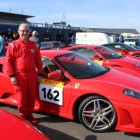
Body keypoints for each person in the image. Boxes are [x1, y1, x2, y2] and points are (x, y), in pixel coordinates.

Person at [6, 23, 43, 123]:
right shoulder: (13, 45)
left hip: (31, 75)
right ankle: (23, 115)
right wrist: (12, 75)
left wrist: (39, 73)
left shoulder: (33, 45)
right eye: (22, 31)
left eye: (26, 31)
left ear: (29, 32)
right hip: (19, 75)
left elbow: (38, 61)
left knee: (31, 96)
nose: (24, 33)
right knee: (21, 97)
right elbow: (8, 61)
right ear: (18, 32)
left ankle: (30, 114)